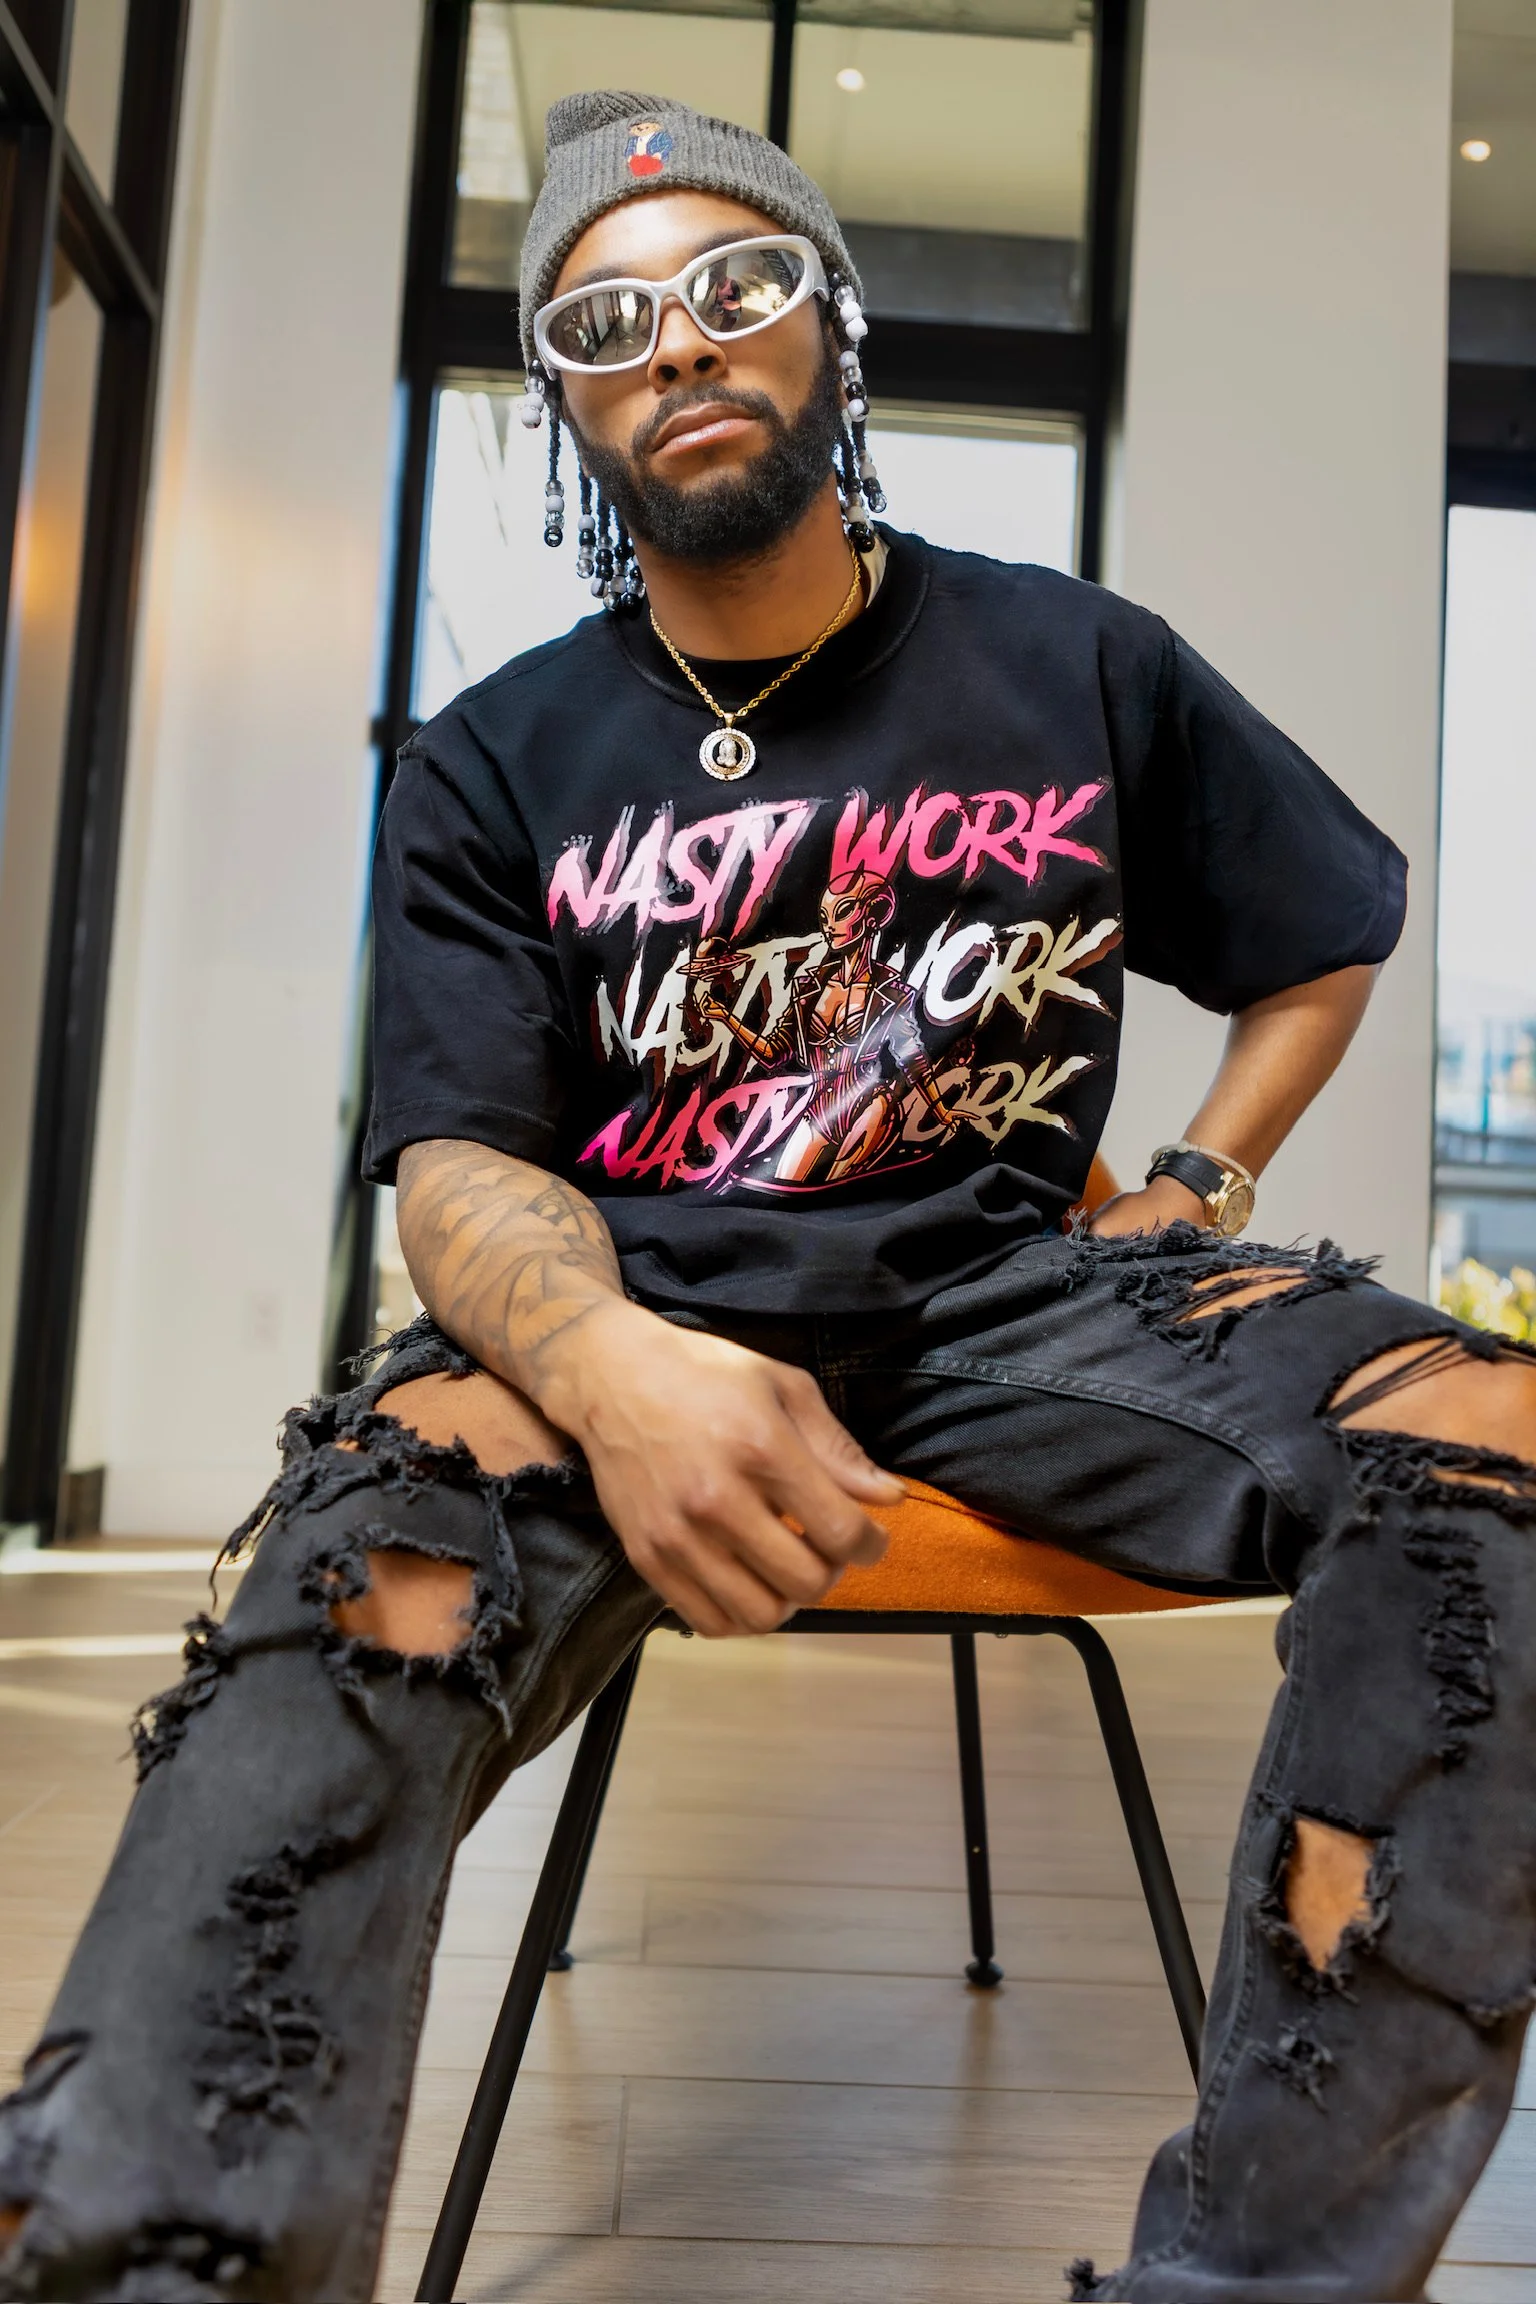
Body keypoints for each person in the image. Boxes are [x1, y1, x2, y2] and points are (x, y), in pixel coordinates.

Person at [3, 88, 1534, 2304]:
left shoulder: (1075, 661)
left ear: (831, 326)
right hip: (617, 1313)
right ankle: (178, 2253)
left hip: (1024, 1300)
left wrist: (1206, 1171)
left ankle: (1266, 2275)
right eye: (608, 321)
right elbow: (459, 1166)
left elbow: (1320, 932)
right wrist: (616, 1366)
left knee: (1488, 1449)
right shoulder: (496, 757)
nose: (681, 346)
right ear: (562, 405)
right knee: (355, 1577)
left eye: (736, 290)